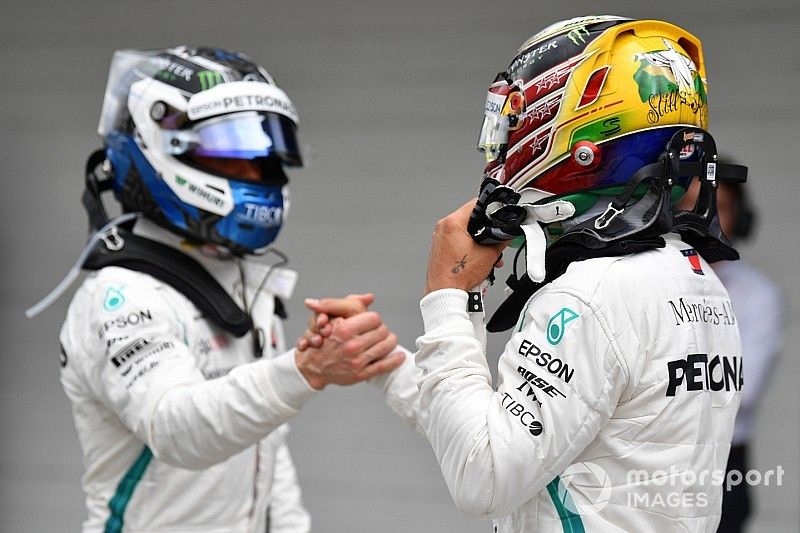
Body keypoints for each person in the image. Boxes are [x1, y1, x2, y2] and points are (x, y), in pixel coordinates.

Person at [306, 16, 747, 532]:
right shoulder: (697, 280)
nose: (505, 143)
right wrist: (389, 366)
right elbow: (524, 440)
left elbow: (485, 477)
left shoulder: (591, 296)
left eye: (514, 122)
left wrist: (449, 295)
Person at [55, 46, 419, 533]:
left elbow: (265, 451)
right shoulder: (119, 295)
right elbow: (175, 428)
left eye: (263, 154)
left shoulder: (243, 279)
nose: (256, 171)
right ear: (158, 145)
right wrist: (305, 369)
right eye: (231, 151)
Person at [679, 176, 786, 533]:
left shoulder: (758, 295)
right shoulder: (640, 283)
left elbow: (743, 390)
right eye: (688, 203)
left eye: (716, 206)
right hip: (651, 458)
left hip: (723, 465)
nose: (700, 216)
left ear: (740, 219)